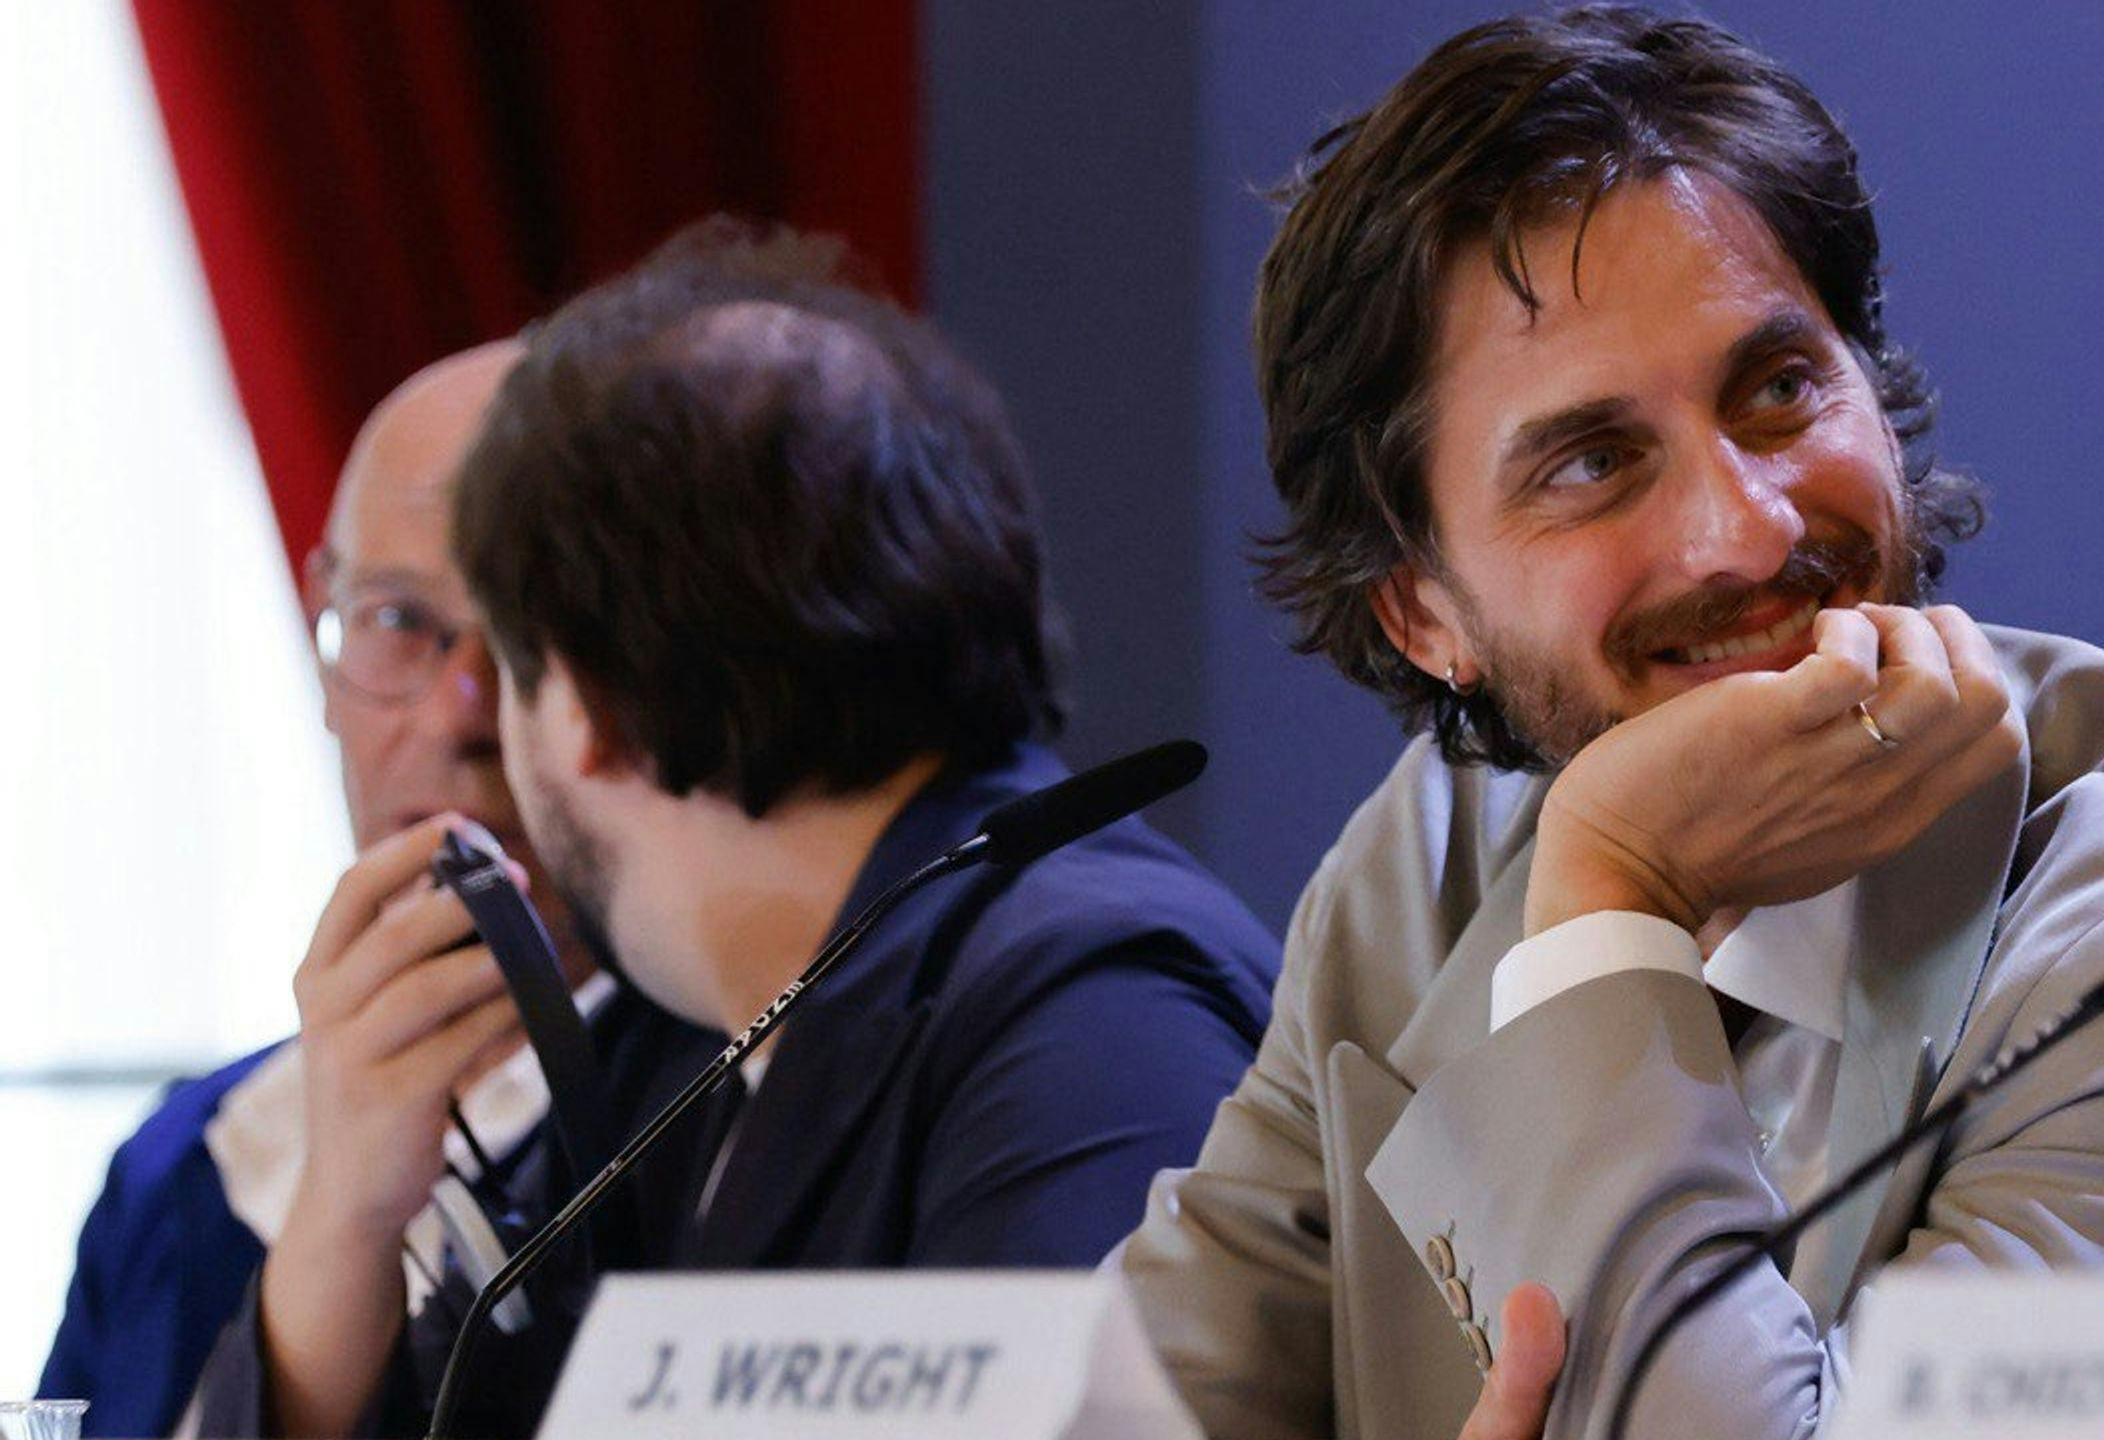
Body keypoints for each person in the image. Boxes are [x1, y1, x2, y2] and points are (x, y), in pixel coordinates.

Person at [1114, 8, 2104, 1437]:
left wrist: (1615, 893)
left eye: (1779, 390)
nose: (1744, 532)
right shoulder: (1423, 863)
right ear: (1421, 615)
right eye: (1596, 462)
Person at [191, 219, 1281, 1439]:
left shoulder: (1097, 1017)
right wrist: (347, 1213)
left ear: (587, 709)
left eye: (507, 661)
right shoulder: (691, 1045)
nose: (484, 725)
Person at [38, 341, 632, 1438]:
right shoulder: (183, 1162)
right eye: (399, 621)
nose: (461, 713)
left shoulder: (715, 1112)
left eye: (525, 637)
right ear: (322, 638)